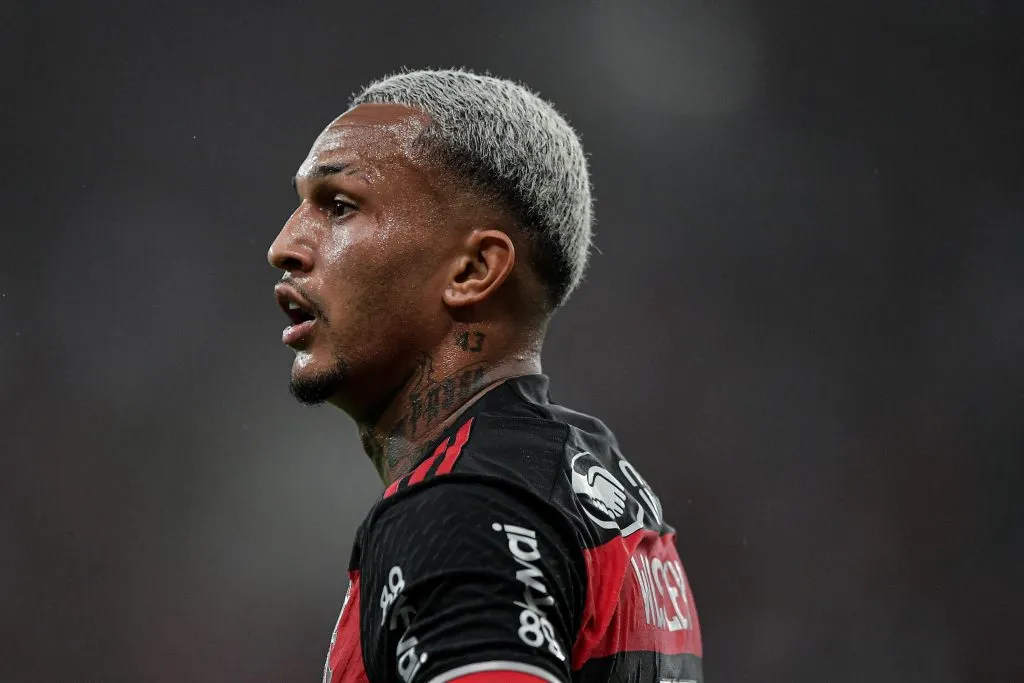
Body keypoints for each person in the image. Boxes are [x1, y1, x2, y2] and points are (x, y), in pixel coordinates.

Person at [268, 69, 702, 683]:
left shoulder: (458, 508)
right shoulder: (593, 485)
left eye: (339, 206)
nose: (284, 245)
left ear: (472, 269)